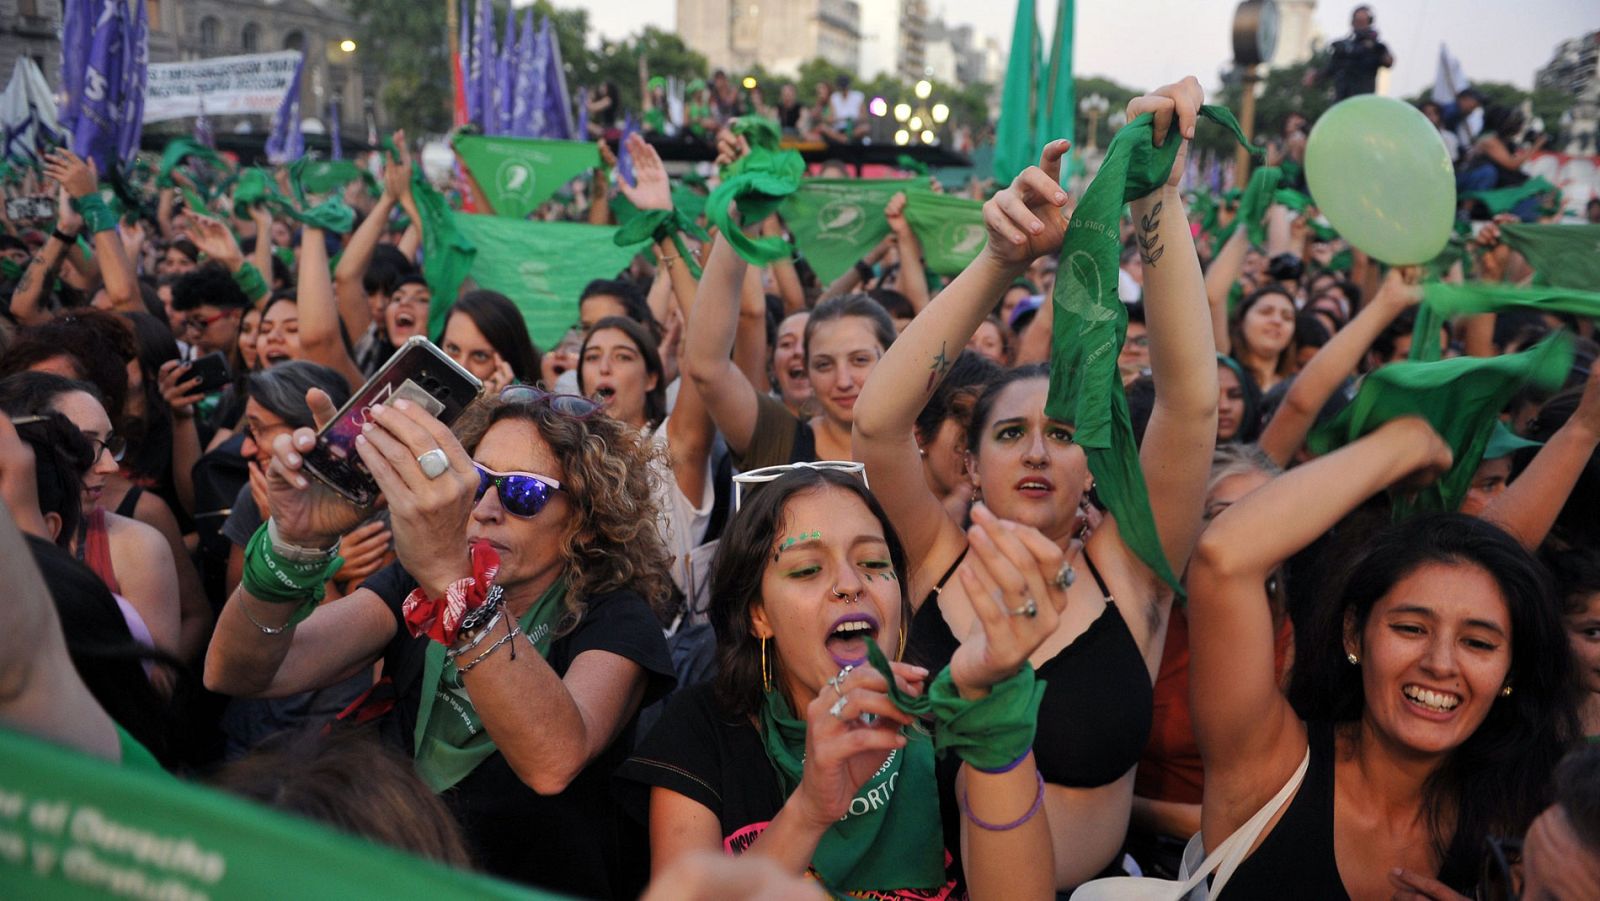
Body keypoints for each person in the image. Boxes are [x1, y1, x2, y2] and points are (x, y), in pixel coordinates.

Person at [853, 78, 1221, 888]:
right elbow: (878, 425)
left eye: (1062, 434)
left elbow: (1192, 406)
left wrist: (1153, 196)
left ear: (1092, 462)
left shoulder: (1130, 576)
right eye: (1011, 433)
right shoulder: (931, 562)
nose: (1036, 453)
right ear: (970, 464)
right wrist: (999, 259)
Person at [204, 386, 676, 898]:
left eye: (524, 493)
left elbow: (552, 761)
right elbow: (241, 672)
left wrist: (454, 585)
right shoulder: (417, 582)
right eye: (475, 483)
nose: (488, 508)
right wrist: (294, 544)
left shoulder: (616, 617)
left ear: (585, 522)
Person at [616, 468, 1056, 900]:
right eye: (808, 569)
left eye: (873, 563)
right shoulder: (700, 728)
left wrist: (992, 709)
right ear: (759, 615)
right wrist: (809, 811)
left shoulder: (950, 711)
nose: (850, 584)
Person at [1188, 417, 1577, 896]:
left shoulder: (1529, 829)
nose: (1440, 663)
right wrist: (1408, 440)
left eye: (1477, 642)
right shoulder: (1271, 771)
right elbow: (1224, 557)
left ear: (1511, 670)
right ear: (1354, 635)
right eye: (1411, 628)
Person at [441, 290, 542, 395]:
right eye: (453, 349)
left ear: (507, 364)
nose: (461, 367)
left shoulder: (526, 405)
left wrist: (489, 407)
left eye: (480, 356)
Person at [1312, 5, 1393, 100]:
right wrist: (1315, 76)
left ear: (1369, 23)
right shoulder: (1344, 47)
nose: (1361, 25)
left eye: (1364, 22)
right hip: (1342, 99)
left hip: (1363, 100)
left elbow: (1388, 62)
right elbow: (1331, 68)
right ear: (1353, 23)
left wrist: (1375, 48)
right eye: (1358, 21)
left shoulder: (1377, 47)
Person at [1227, 286, 1298, 393]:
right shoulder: (1222, 370)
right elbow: (1213, 298)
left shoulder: (1296, 388)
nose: (1277, 321)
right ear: (1242, 320)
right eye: (1265, 312)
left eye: (1287, 317)